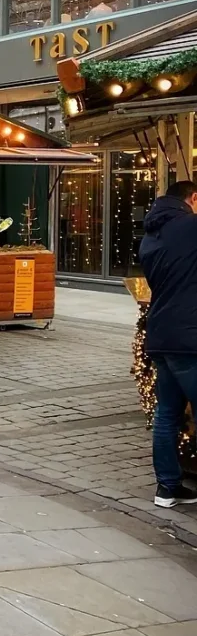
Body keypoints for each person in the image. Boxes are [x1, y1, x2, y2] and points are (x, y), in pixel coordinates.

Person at [138, 180, 197, 508]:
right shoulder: (191, 227)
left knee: (166, 414)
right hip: (191, 335)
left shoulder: (150, 236)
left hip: (162, 335)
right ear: (193, 199)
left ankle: (168, 488)